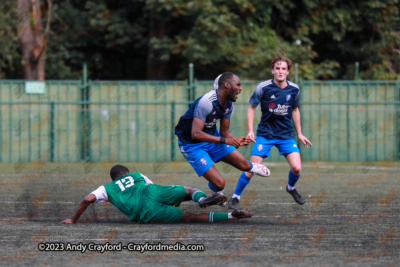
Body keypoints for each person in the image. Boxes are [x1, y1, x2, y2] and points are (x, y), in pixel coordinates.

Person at [229, 53, 312, 209]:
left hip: (286, 135)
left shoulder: (294, 89)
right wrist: (250, 131)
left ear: (288, 72)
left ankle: (291, 188)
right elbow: (251, 108)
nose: (280, 71)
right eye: (277, 68)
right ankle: (235, 197)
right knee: (251, 169)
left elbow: (295, 110)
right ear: (272, 70)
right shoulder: (263, 87)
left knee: (297, 168)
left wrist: (299, 133)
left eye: (283, 69)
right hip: (265, 135)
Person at [174, 72, 270, 207]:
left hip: (212, 137)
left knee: (245, 165)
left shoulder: (229, 104)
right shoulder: (206, 102)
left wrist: (235, 140)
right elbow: (195, 133)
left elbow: (225, 131)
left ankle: (252, 167)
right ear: (227, 85)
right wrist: (225, 140)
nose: (240, 88)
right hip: (191, 144)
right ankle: (215, 191)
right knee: (220, 184)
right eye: (238, 84)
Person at [60, 165, 253, 224]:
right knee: (187, 191)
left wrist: (73, 219)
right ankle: (202, 198)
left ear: (113, 178)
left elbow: (87, 199)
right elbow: (152, 186)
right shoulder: (135, 175)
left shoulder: (107, 188)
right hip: (151, 190)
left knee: (191, 218)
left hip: (143, 211)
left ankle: (230, 216)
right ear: (126, 173)